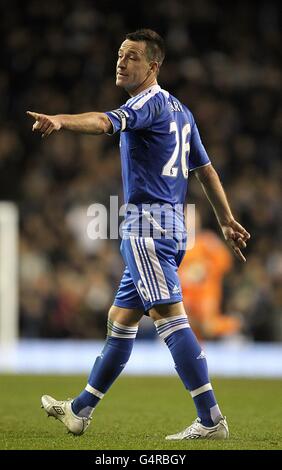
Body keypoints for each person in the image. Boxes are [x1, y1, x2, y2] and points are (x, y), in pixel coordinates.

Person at [27, 29, 250, 440]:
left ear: (153, 66)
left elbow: (103, 122)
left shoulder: (145, 105)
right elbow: (206, 171)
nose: (121, 62)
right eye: (119, 54)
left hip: (147, 227)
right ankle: (79, 410)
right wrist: (224, 219)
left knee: (169, 317)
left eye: (131, 57)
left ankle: (211, 418)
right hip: (171, 225)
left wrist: (60, 120)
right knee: (121, 320)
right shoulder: (181, 111)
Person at [179, 211, 241, 340]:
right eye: (186, 220)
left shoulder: (208, 241)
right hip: (184, 305)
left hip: (206, 303)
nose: (189, 224)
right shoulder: (175, 247)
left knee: (214, 327)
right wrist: (186, 275)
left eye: (192, 220)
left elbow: (226, 262)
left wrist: (205, 268)